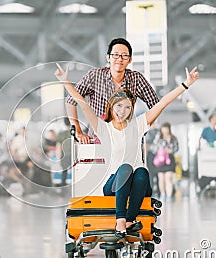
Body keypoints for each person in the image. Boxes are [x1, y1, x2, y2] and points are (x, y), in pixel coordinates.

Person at [55, 63, 199, 237]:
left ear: (131, 110)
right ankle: (121, 220)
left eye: (127, 107)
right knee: (126, 167)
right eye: (119, 106)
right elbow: (83, 104)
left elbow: (162, 103)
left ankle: (129, 220)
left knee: (142, 172)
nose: (122, 111)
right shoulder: (103, 128)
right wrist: (65, 82)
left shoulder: (138, 124)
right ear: (112, 106)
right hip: (114, 185)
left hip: (137, 185)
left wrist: (186, 84)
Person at [65, 38, 159, 144]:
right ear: (108, 57)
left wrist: (142, 128)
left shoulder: (136, 79)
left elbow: (156, 105)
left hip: (126, 141)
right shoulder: (95, 76)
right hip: (98, 140)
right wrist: (78, 131)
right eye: (116, 55)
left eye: (124, 55)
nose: (120, 59)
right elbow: (70, 100)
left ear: (130, 59)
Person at [152, 122, 179, 200]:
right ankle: (163, 194)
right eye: (163, 128)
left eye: (166, 128)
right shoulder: (158, 138)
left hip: (169, 160)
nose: (165, 130)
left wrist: (170, 150)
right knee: (161, 178)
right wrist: (160, 149)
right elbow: (153, 149)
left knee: (168, 178)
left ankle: (169, 196)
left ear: (169, 129)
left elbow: (176, 148)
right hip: (160, 160)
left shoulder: (173, 138)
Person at [56, 117, 72, 186]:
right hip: (74, 155)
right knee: (76, 172)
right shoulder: (75, 133)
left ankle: (63, 187)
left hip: (64, 156)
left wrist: (59, 159)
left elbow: (59, 147)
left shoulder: (61, 134)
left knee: (64, 173)